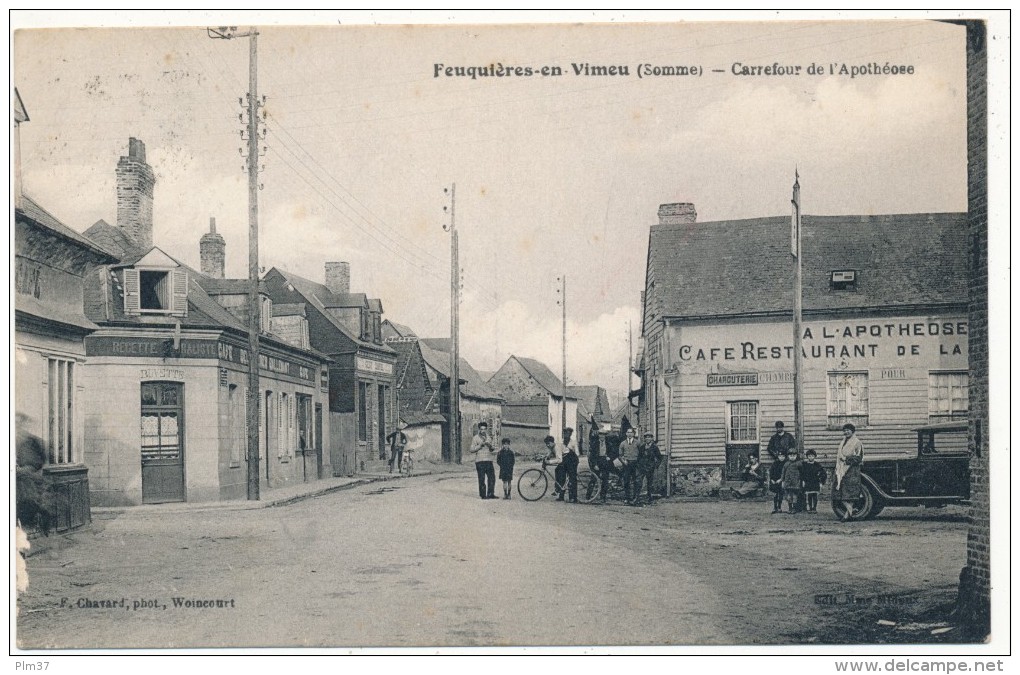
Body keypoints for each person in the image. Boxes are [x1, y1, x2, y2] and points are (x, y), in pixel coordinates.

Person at [833, 423, 865, 521]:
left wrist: (846, 460)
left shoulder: (857, 442)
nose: (846, 432)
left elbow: (859, 457)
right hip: (841, 469)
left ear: (853, 431)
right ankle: (851, 510)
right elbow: (839, 456)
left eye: (848, 430)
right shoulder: (843, 442)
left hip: (852, 469)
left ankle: (847, 514)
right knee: (840, 491)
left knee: (849, 492)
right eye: (844, 430)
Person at [469, 421, 497, 500]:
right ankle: (483, 495)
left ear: (486, 429)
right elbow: (471, 449)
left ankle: (491, 494)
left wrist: (490, 446)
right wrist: (480, 446)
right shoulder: (475, 438)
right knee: (481, 478)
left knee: (492, 477)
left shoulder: (489, 437)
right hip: (480, 461)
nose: (483, 431)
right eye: (481, 429)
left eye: (484, 429)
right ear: (479, 429)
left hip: (488, 460)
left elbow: (492, 449)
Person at [634, 432, 663, 504]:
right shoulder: (642, 447)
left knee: (650, 483)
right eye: (646, 437)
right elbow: (639, 457)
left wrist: (656, 465)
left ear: (652, 439)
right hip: (642, 467)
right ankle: (636, 498)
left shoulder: (655, 447)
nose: (647, 439)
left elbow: (659, 457)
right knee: (638, 482)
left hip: (650, 468)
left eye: (649, 437)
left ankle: (649, 498)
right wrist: (638, 465)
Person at [617, 427, 641, 504]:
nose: (630, 434)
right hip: (626, 464)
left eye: (631, 432)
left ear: (634, 434)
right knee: (626, 481)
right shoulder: (622, 443)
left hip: (635, 464)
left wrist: (638, 462)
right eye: (628, 432)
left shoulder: (638, 443)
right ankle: (627, 498)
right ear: (626, 433)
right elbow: (620, 455)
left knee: (635, 481)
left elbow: (641, 454)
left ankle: (635, 498)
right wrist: (624, 461)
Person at [554, 428, 579, 500]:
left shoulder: (573, 442)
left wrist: (573, 454)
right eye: (565, 434)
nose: (566, 436)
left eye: (568, 434)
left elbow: (577, 453)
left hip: (572, 461)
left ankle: (573, 497)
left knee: (572, 479)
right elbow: (559, 453)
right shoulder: (560, 442)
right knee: (561, 477)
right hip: (564, 461)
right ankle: (561, 496)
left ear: (570, 435)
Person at [781, 447, 804, 514]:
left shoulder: (799, 464)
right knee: (788, 496)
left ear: (796, 456)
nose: (792, 457)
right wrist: (782, 481)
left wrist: (801, 481)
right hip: (788, 482)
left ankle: (794, 508)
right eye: (790, 456)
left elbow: (802, 473)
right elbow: (783, 473)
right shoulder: (786, 464)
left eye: (794, 456)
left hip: (795, 482)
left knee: (795, 496)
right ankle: (790, 508)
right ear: (788, 456)